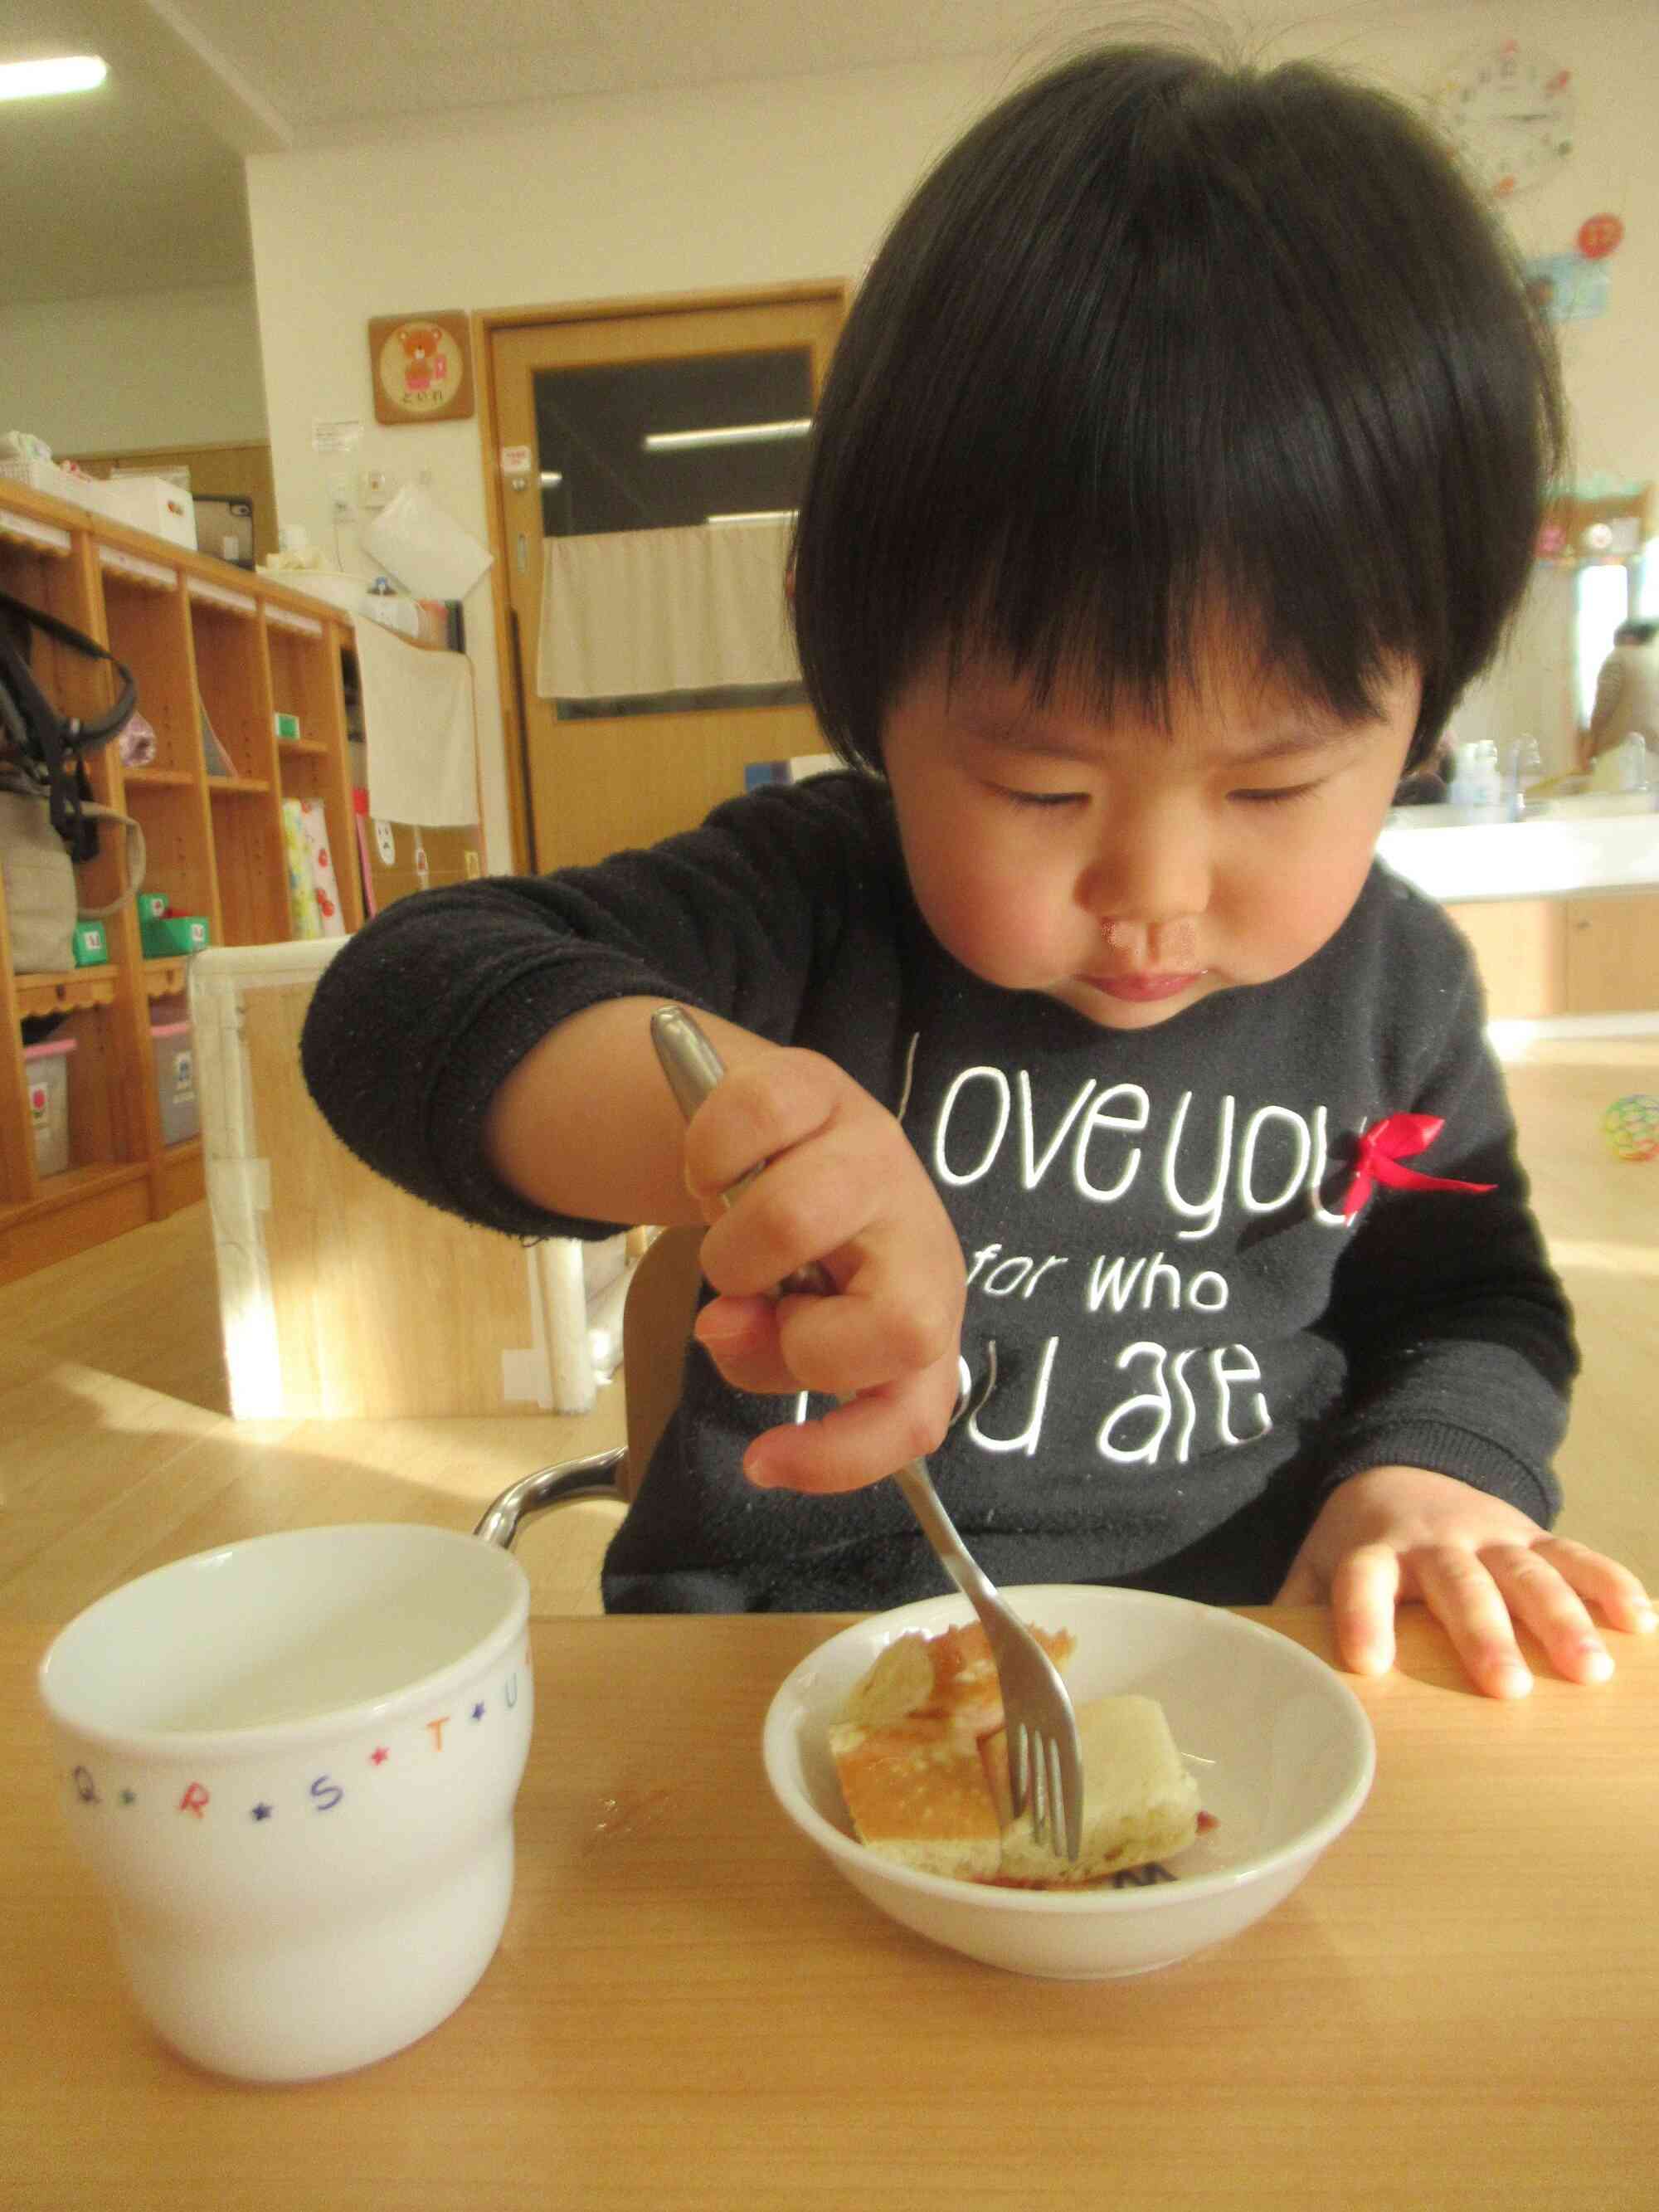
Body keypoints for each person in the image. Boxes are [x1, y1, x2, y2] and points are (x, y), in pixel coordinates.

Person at [304, 42, 1653, 1696]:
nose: (1152, 885)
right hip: (776, 1680)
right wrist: (729, 1117)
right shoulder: (812, 902)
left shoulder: (1400, 997)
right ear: (876, 693)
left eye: (1277, 778)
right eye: (1038, 782)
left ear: (1416, 714)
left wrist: (1431, 1472)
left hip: (1237, 1671)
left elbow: (1473, 1305)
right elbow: (396, 998)